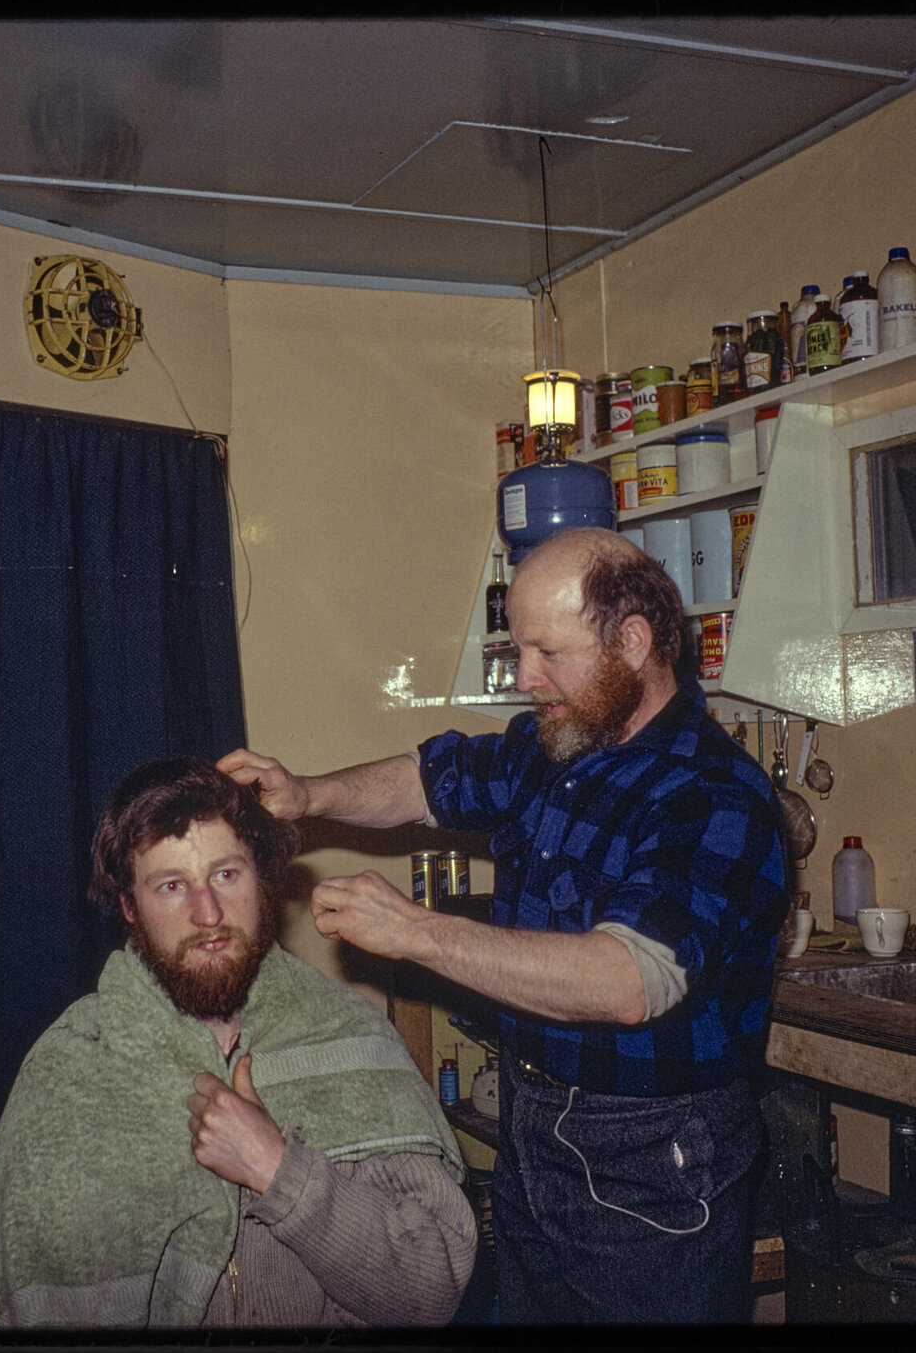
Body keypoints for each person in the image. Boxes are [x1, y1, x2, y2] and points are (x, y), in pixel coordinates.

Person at [219, 525, 788, 1324]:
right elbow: (425, 780)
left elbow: (627, 981)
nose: (525, 676)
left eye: (547, 652)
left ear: (632, 642)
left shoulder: (712, 795)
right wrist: (309, 793)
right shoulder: (555, 746)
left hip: (651, 1152)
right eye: (518, 649)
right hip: (532, 1121)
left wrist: (417, 933)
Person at [0, 757, 475, 1328]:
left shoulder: (350, 1037)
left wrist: (279, 1171)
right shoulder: (71, 1064)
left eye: (226, 875)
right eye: (171, 886)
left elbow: (430, 1293)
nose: (207, 913)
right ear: (129, 908)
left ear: (263, 881)